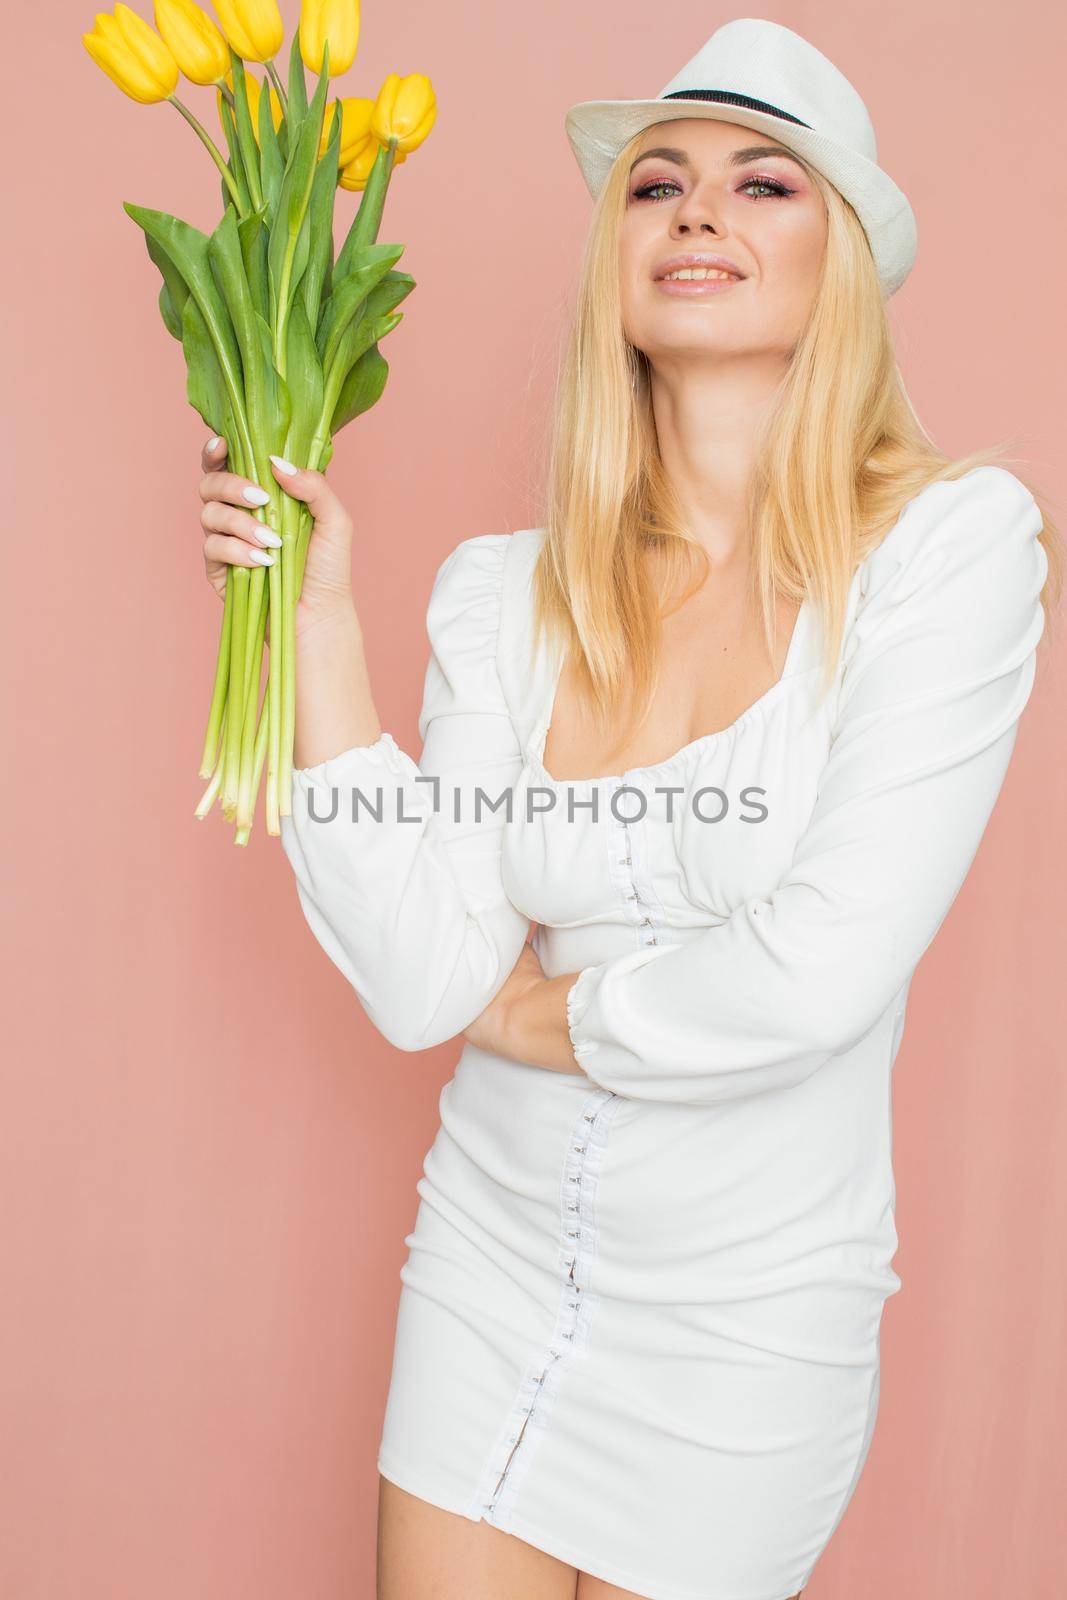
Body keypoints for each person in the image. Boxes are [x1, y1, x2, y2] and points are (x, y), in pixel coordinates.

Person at [196, 18, 1061, 1600]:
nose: (695, 212)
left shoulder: (953, 553)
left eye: (762, 184)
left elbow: (819, 971)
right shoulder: (498, 593)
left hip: (748, 1320)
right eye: (655, 184)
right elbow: (422, 982)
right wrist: (320, 623)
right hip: (489, 1261)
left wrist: (539, 1018)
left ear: (844, 260)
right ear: (615, 260)